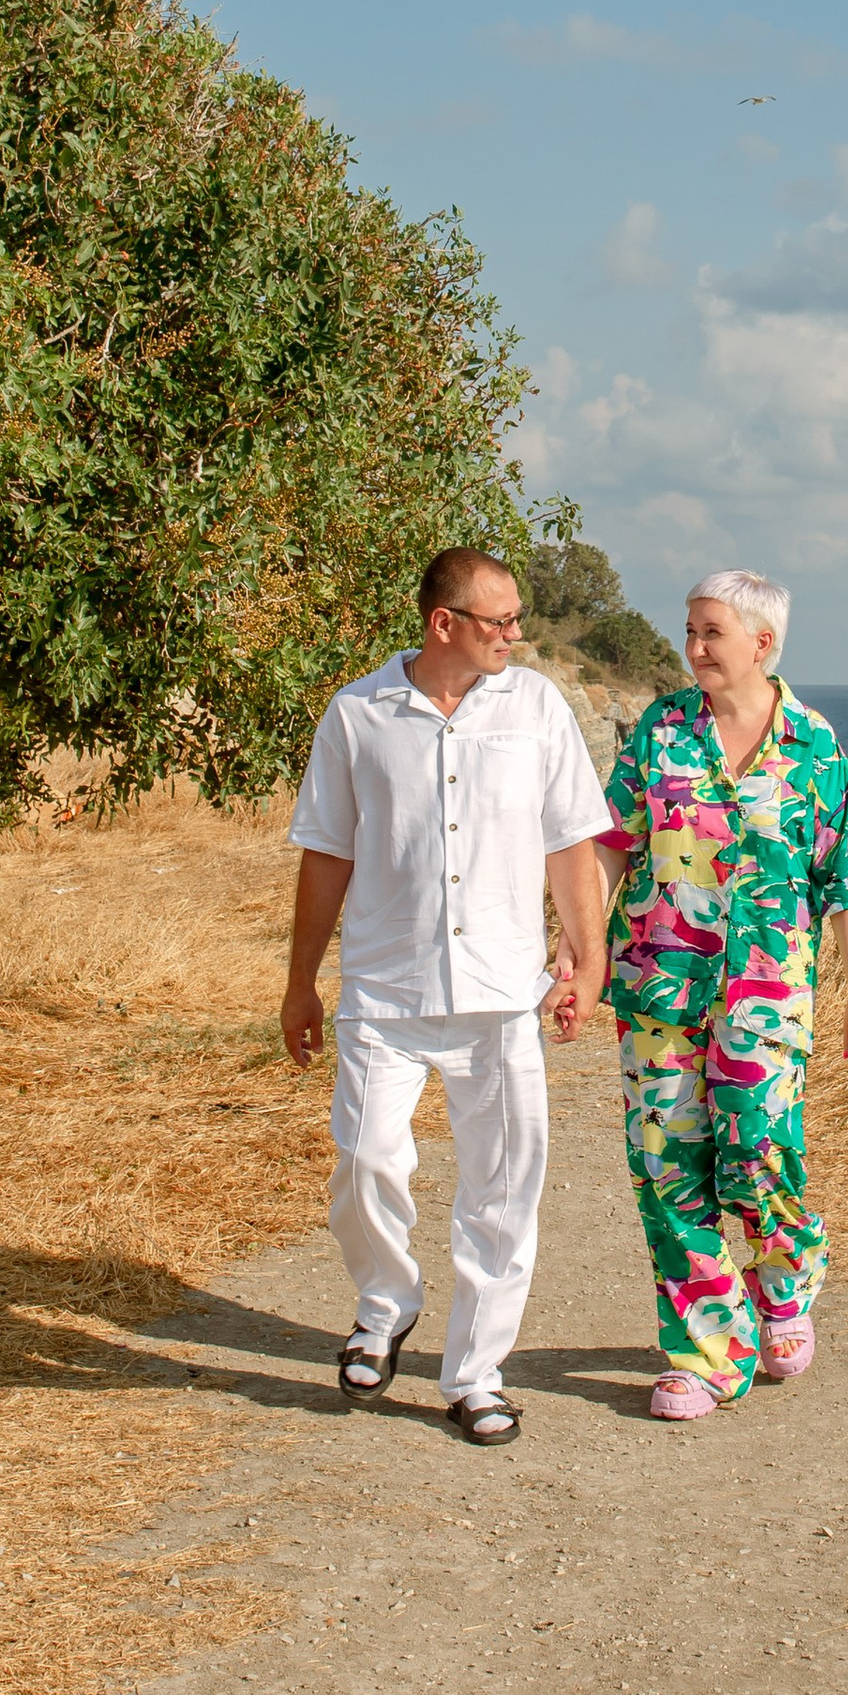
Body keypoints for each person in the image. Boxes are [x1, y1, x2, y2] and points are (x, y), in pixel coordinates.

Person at [282, 547, 610, 1448]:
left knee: (503, 1191)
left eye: (516, 619)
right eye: (499, 620)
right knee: (366, 1161)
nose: (516, 634)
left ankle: (475, 1373)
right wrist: (301, 979)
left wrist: (587, 960)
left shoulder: (538, 705)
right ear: (444, 625)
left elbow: (572, 842)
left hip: (502, 993)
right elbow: (327, 852)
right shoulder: (358, 714)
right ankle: (386, 1306)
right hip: (386, 989)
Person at [596, 567, 848, 1418]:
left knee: (759, 1154)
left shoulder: (815, 748)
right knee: (667, 1168)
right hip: (657, 986)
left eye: (710, 633)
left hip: (767, 996)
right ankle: (706, 1353)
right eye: (689, 631)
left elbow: (846, 879)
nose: (692, 649)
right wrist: (577, 948)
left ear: (762, 643)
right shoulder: (662, 729)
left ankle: (786, 1278)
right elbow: (613, 839)